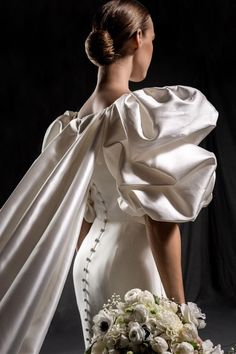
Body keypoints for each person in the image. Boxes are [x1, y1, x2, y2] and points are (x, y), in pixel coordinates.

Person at [0, 0, 218, 353]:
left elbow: (79, 218)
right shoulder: (135, 118)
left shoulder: (69, 125)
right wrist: (181, 311)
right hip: (135, 260)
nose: (151, 49)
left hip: (87, 264)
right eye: (152, 40)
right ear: (137, 38)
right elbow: (159, 223)